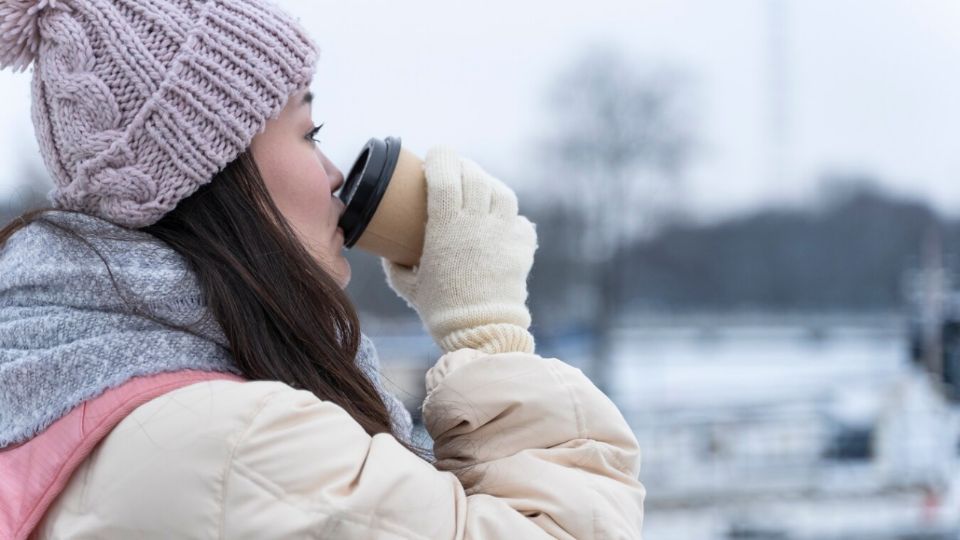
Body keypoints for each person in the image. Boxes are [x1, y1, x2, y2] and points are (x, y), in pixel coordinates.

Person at [0, 0, 645, 538]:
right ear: (216, 176)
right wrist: (488, 332)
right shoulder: (243, 446)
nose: (337, 174)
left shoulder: (55, 385)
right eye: (311, 132)